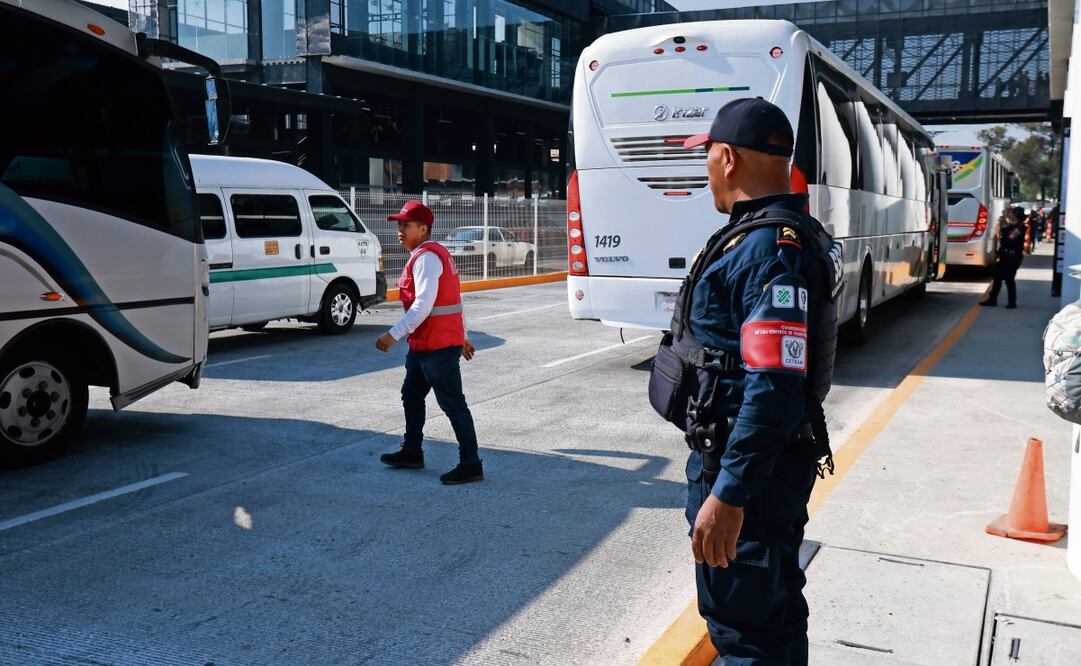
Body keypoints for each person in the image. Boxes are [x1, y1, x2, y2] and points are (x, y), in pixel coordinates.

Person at [676, 98, 840, 664]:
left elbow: (772, 386)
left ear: (727, 158)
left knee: (745, 632)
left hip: (746, 473)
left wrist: (730, 493)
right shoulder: (783, 236)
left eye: (706, 155)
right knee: (774, 619)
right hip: (765, 467)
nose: (706, 169)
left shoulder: (764, 250)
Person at [376, 200, 484, 485]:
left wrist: (393, 334)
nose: (400, 231)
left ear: (423, 229)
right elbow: (454, 299)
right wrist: (463, 335)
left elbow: (423, 305)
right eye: (399, 225)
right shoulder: (429, 254)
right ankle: (412, 451)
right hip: (424, 344)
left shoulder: (427, 258)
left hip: (438, 345)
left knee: (452, 403)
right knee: (411, 394)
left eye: (406, 225)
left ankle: (471, 464)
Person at [981, 206, 1026, 309]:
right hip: (1006, 256)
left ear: (1016, 216)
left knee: (1009, 279)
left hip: (1012, 257)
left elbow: (1008, 239)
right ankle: (993, 299)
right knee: (997, 277)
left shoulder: (1019, 228)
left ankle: (1011, 302)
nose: (1010, 216)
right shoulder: (1013, 226)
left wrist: (1004, 228)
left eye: (1012, 214)